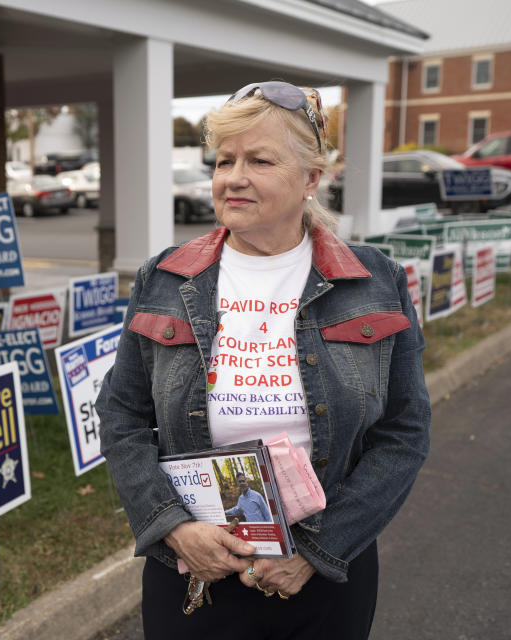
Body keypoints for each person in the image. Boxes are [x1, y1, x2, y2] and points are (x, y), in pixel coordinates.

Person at [95, 80, 431, 639]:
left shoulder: (375, 281)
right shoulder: (166, 278)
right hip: (195, 570)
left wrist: (315, 550)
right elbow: (121, 415)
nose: (234, 177)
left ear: (311, 178)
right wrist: (174, 527)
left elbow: (404, 433)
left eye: (260, 159)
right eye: (225, 160)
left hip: (323, 571)